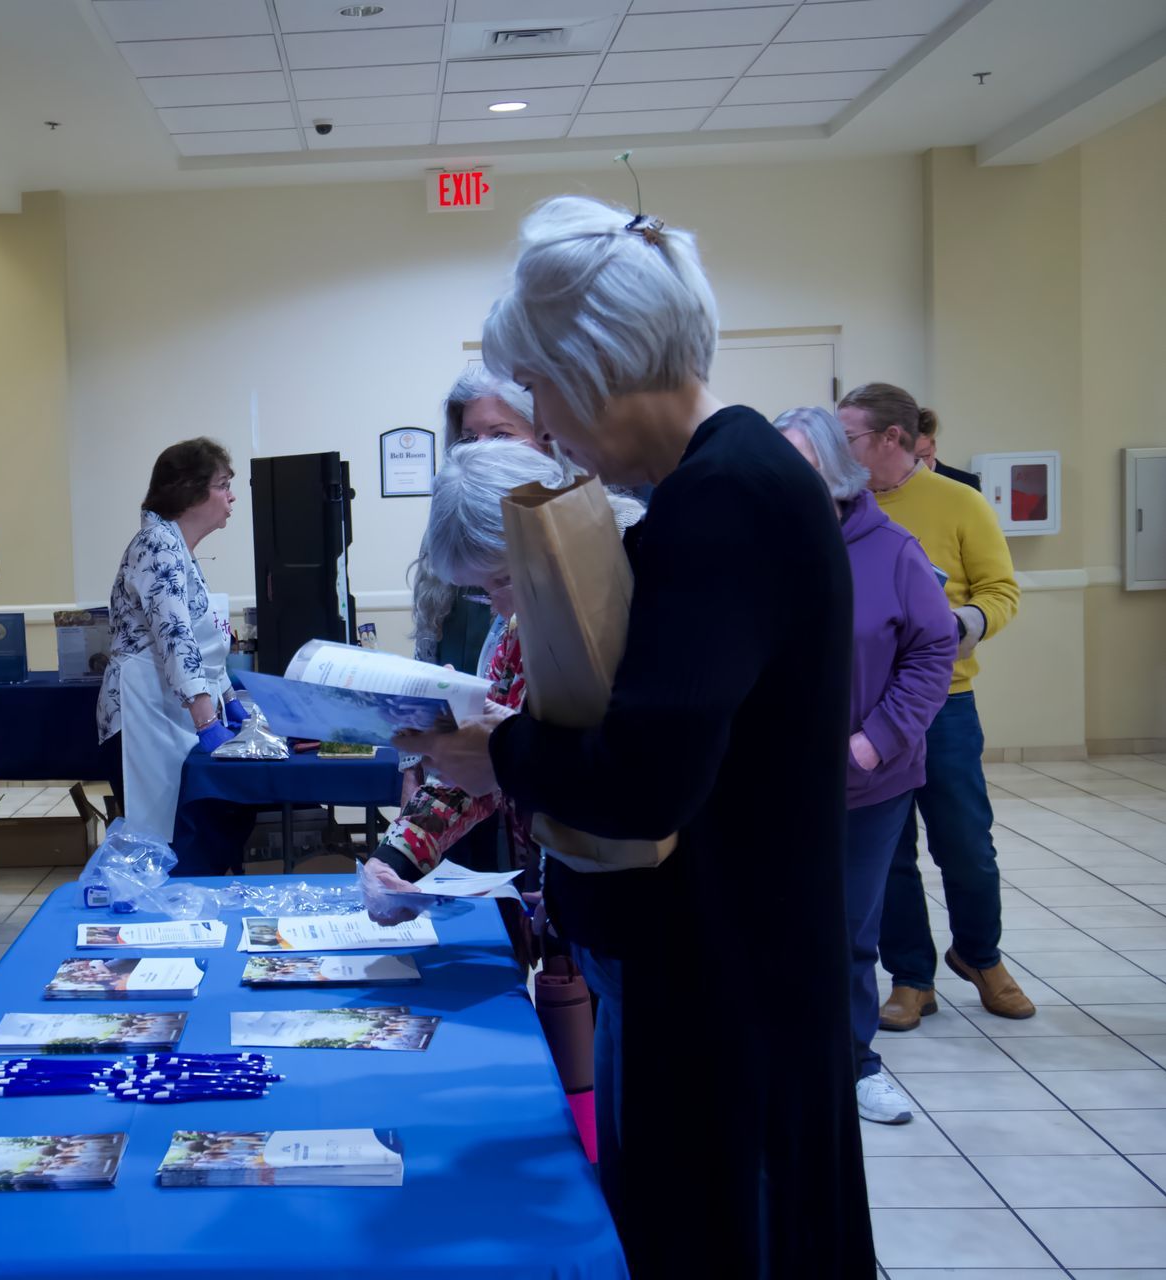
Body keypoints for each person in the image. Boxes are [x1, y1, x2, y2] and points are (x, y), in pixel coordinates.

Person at [399, 195, 874, 1277]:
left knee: (713, 1234)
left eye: (547, 390)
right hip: (726, 960)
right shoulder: (733, 478)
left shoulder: (722, 503)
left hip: (724, 978)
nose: (548, 427)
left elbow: (647, 777)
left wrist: (497, 753)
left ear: (600, 362)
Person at [777, 406, 957, 1126]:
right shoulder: (757, 547)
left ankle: (856, 1063)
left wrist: (876, 737)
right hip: (773, 787)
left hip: (866, 784)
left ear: (839, 473)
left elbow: (933, 649)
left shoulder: (891, 548)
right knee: (778, 925)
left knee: (848, 929)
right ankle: (788, 1063)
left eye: (805, 468)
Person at [838, 381, 1030, 1027]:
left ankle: (980, 955)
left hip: (944, 703)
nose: (840, 450)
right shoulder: (840, 508)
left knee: (966, 843)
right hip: (866, 709)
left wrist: (961, 622)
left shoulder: (959, 501)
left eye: (849, 438)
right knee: (887, 855)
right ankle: (911, 978)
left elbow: (1002, 590)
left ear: (891, 439)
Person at [375, 439, 643, 881]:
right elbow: (478, 771)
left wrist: (506, 745)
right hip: (560, 885)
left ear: (548, 537)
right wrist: (395, 862)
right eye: (481, 593)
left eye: (501, 581)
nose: (499, 610)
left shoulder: (638, 590)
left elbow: (637, 771)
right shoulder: (525, 624)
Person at [96, 438, 248, 873]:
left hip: (167, 711)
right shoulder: (157, 545)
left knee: (199, 837)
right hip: (142, 715)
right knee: (163, 848)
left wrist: (229, 701)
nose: (231, 496)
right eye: (222, 485)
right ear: (189, 491)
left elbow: (203, 639)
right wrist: (207, 721)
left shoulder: (177, 546)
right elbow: (174, 637)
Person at [411, 368, 563, 671]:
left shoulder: (598, 526)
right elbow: (429, 646)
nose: (481, 450)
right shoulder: (449, 532)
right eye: (469, 438)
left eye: (500, 435)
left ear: (547, 439)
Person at [912, 406, 981, 491]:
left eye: (924, 456)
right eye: (911, 458)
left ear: (934, 446)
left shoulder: (967, 483)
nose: (919, 464)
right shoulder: (894, 485)